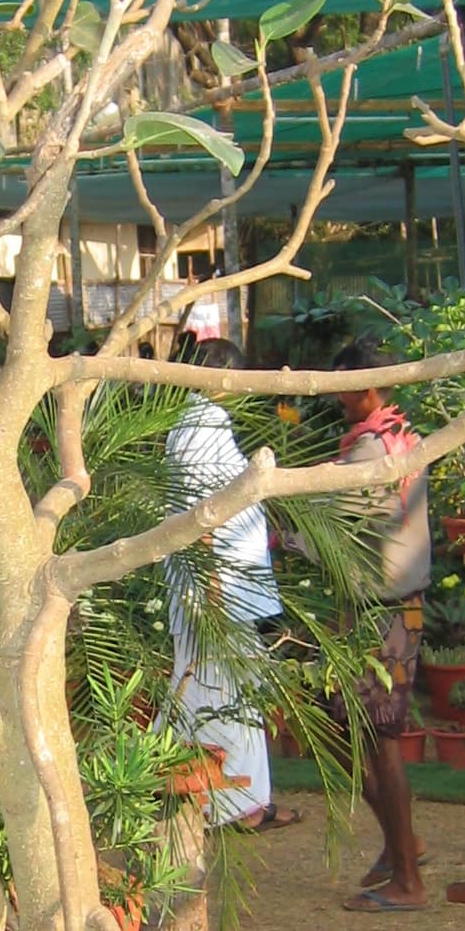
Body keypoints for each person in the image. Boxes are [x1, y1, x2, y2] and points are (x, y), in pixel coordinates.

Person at [164, 338, 296, 829]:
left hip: (224, 585)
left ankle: (242, 801)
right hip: (214, 588)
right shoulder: (197, 430)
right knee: (219, 690)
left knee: (229, 689)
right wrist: (213, 581)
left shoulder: (202, 426)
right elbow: (201, 513)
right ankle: (234, 804)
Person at [331, 337, 431, 913]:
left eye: (342, 386)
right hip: (395, 607)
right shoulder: (404, 436)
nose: (334, 397)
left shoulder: (372, 450)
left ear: (366, 388)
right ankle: (403, 845)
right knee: (356, 731)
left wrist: (285, 534)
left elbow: (333, 528)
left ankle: (409, 878)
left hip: (381, 612)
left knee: (379, 740)